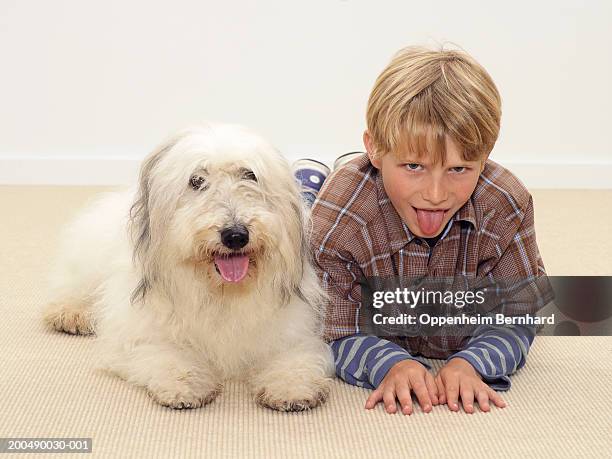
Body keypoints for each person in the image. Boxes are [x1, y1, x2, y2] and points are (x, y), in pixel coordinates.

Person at [292, 46, 554, 415]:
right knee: (298, 226)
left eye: (459, 169)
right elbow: (333, 329)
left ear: (487, 154)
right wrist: (389, 363)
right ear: (376, 150)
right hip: (350, 231)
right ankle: (310, 184)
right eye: (414, 165)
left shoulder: (506, 204)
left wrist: (472, 362)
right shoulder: (341, 218)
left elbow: (520, 313)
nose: (435, 194)